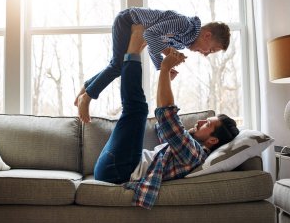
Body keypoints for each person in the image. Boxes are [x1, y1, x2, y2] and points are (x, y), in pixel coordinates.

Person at [93, 28, 239, 210]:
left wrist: (165, 68)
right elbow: (162, 127)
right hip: (113, 165)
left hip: (117, 170)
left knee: (137, 109)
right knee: (137, 109)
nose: (201, 121)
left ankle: (133, 49)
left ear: (213, 140)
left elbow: (166, 117)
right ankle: (133, 51)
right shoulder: (183, 149)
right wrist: (166, 79)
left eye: (208, 124)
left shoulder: (194, 154)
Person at [74, 7, 231, 123]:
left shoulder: (183, 40)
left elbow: (151, 44)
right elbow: (149, 35)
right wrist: (168, 52)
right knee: (118, 66)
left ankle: (86, 88)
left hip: (131, 24)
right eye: (210, 50)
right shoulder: (184, 26)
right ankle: (87, 97)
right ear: (207, 35)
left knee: (117, 65)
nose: (205, 54)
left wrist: (161, 67)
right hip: (128, 21)